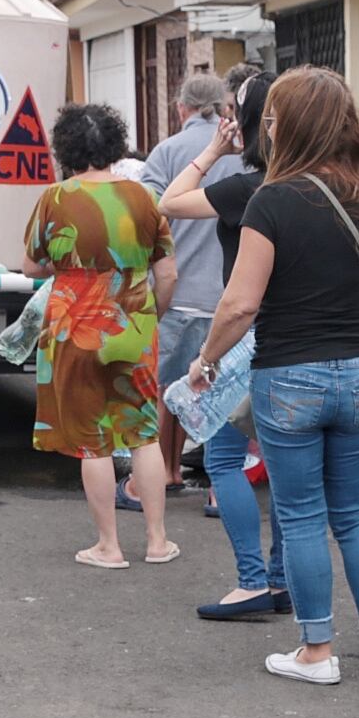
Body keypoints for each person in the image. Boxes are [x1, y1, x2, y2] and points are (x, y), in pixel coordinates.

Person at [186, 68, 359, 684]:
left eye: (274, 117)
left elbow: (239, 304)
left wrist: (204, 361)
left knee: (304, 516)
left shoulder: (273, 199)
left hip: (289, 375)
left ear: (290, 125)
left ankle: (316, 653)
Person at [22, 102, 179, 568]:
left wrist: (73, 269)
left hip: (75, 326)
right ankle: (156, 542)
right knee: (143, 433)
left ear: (65, 147)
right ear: (114, 144)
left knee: (93, 438)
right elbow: (168, 274)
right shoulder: (144, 197)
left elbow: (31, 264)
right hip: (134, 320)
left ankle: (108, 546)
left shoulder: (55, 198)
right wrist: (151, 315)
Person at [160, 69, 287, 620]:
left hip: (244, 335)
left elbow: (171, 201)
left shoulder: (246, 188)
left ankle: (252, 579)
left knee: (223, 454)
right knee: (287, 464)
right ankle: (282, 577)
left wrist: (213, 148)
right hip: (297, 335)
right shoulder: (315, 186)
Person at [136, 73, 233, 500]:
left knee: (165, 390)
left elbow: (143, 215)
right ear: (224, 107)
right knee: (223, 390)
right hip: (229, 297)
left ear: (181, 109)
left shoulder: (168, 152)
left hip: (176, 295)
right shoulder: (243, 153)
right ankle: (220, 488)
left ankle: (167, 473)